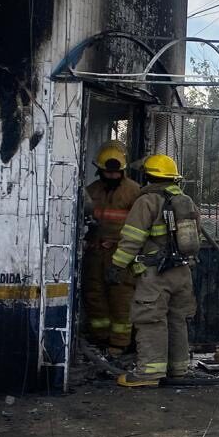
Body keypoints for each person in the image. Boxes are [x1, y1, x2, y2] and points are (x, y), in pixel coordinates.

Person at [108, 154, 199, 387]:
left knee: (150, 319)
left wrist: (117, 265)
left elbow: (132, 238)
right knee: (177, 319)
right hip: (182, 271)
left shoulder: (147, 201)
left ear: (148, 176)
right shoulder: (186, 200)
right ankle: (178, 369)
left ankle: (148, 373)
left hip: (156, 273)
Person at [82, 140, 142, 357]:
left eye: (117, 174)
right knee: (93, 295)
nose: (113, 177)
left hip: (121, 255)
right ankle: (100, 338)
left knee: (121, 297)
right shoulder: (91, 191)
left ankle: (119, 343)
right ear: (100, 170)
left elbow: (141, 226)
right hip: (95, 253)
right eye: (108, 173)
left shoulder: (134, 192)